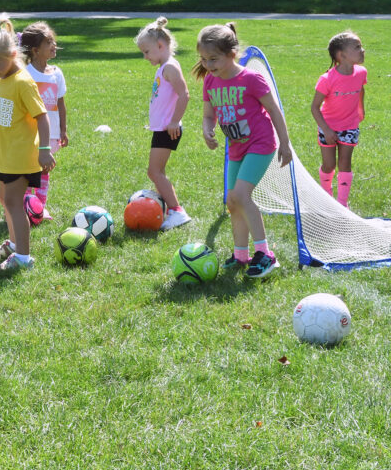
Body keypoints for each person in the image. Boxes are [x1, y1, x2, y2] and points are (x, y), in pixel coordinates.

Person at [197, 23, 292, 279]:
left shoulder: (251, 78)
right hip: (236, 149)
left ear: (232, 53)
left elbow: (274, 110)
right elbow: (209, 115)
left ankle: (265, 254)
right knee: (232, 201)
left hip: (260, 144)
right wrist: (208, 130)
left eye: (213, 59)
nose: (208, 64)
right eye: (204, 59)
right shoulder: (209, 81)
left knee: (240, 194)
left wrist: (285, 143)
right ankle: (241, 255)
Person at [0, 14, 56, 271]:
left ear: (13, 53)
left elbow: (42, 118)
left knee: (13, 202)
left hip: (22, 155)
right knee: (5, 199)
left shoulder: (23, 81)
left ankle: (23, 258)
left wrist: (45, 150)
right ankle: (13, 245)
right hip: (5, 154)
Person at [135, 16, 191, 230]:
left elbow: (184, 94)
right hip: (162, 128)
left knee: (155, 171)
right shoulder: (163, 68)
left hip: (168, 129)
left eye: (147, 52)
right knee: (156, 171)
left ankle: (177, 211)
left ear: (160, 45)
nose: (145, 56)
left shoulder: (170, 68)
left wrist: (175, 121)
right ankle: (170, 209)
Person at [311, 31, 366, 207]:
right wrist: (326, 130)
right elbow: (314, 107)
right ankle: (327, 199)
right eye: (357, 47)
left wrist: (360, 108)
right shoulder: (327, 79)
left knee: (345, 163)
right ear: (342, 55)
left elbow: (360, 89)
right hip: (328, 127)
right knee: (329, 165)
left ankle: (341, 205)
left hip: (350, 126)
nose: (362, 50)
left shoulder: (361, 72)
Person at [18, 22, 67, 219]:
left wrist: (63, 130)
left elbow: (60, 103)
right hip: (31, 133)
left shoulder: (57, 73)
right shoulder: (26, 74)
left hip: (52, 132)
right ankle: (25, 204)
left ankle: (39, 207)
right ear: (36, 50)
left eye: (53, 41)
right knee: (29, 170)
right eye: (49, 42)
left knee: (45, 171)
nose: (54, 45)